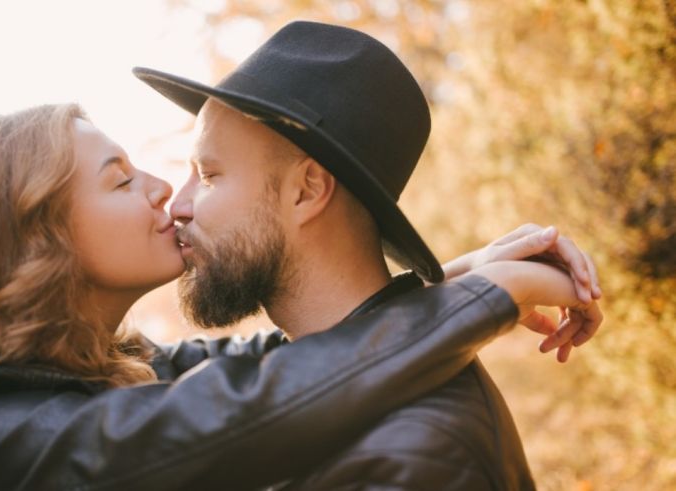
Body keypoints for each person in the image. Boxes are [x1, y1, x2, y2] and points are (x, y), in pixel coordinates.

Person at [0, 102, 598, 490]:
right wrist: (491, 295)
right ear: (37, 237)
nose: (168, 191)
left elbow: (278, 360)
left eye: (209, 173)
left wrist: (462, 276)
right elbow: (229, 412)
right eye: (123, 179)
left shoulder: (112, 366)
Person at [133, 20, 603, 489]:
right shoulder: (285, 371)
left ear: (306, 191)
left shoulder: (420, 455)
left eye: (209, 174)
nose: (178, 205)